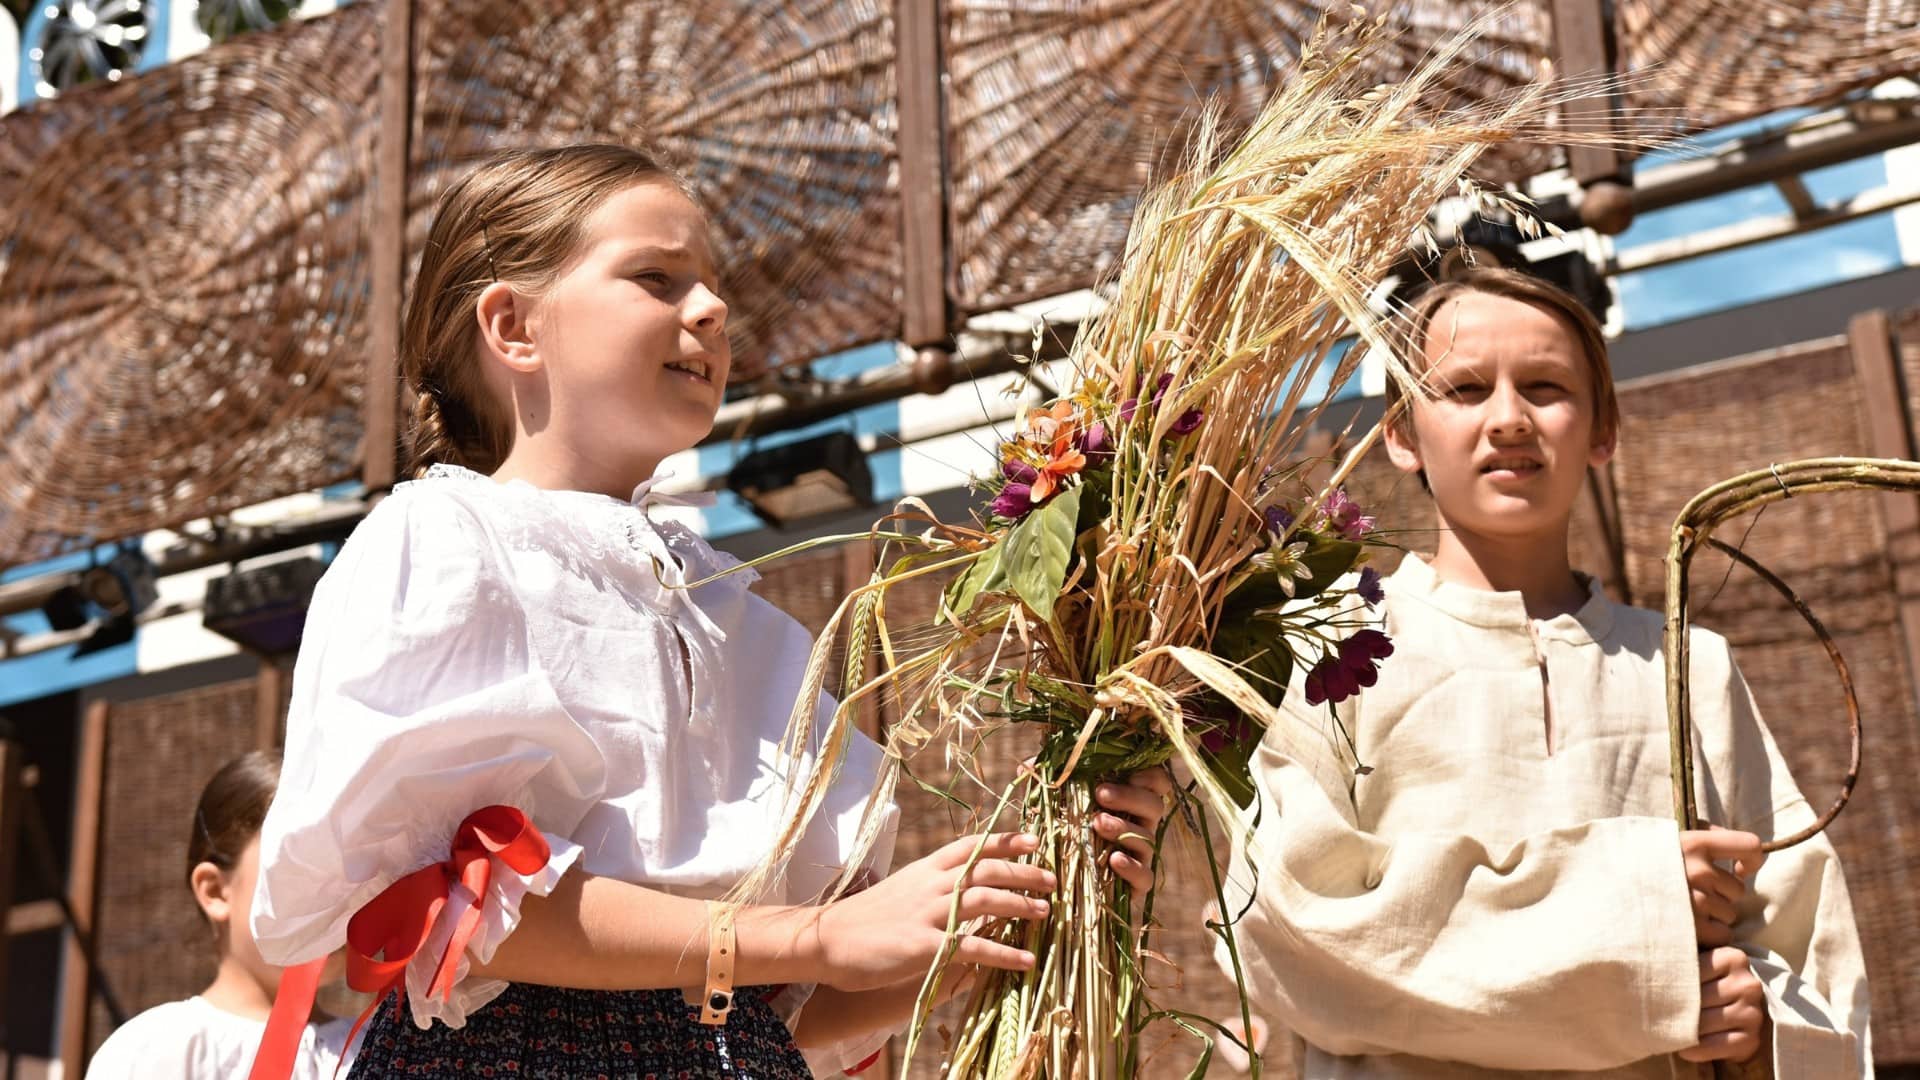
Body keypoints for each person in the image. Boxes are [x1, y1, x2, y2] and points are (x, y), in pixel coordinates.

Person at [248, 143, 1173, 1079]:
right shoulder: (444, 541)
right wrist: (813, 938)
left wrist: (1019, 900)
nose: (713, 308)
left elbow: (785, 1013)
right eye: (657, 277)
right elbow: (452, 911)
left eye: (713, 286)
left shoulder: (747, 618)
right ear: (513, 325)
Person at [1220, 267, 1871, 1077]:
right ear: (1400, 431)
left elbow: (1804, 937)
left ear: (1603, 431)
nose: (1508, 420)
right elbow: (1289, 927)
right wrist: (1639, 913)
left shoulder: (1688, 664)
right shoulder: (1338, 643)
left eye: (1545, 386)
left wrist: (1761, 1019)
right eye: (1462, 388)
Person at [87, 751, 353, 1079]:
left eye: (350, 869)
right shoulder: (154, 1053)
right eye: (298, 866)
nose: (334, 893)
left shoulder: (378, 1053)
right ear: (214, 890)